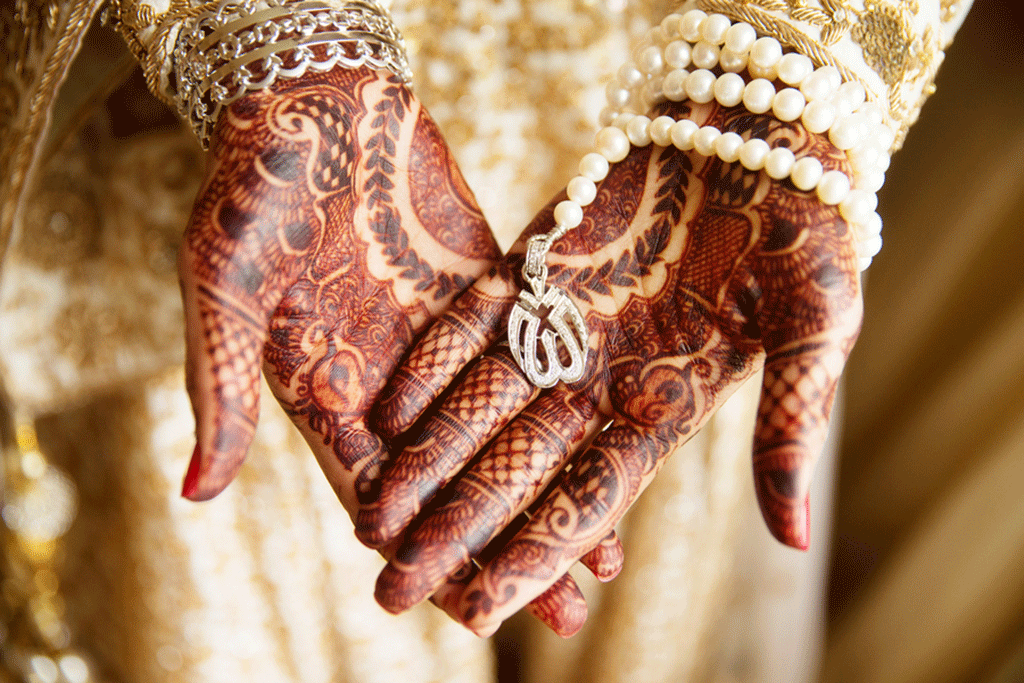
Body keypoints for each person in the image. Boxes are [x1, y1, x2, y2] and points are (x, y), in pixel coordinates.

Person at [0, 0, 980, 681]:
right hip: (221, 206)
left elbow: (787, 84)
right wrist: (271, 36)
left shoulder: (720, 168)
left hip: (668, 162)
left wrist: (804, 75)